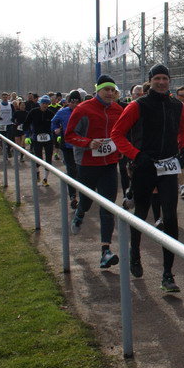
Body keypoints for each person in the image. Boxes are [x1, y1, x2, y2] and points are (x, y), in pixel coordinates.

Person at [111, 64, 184, 292]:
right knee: (141, 213)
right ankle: (135, 254)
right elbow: (117, 134)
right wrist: (136, 155)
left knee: (170, 218)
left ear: (169, 80)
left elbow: (183, 129)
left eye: (165, 78)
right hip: (144, 167)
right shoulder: (137, 105)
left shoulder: (177, 105)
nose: (161, 82)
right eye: (157, 78)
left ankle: (168, 274)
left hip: (168, 167)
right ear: (150, 81)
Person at [65, 76, 124, 269]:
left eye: (112, 90)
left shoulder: (118, 110)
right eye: (106, 89)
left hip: (109, 164)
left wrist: (121, 148)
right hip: (87, 164)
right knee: (86, 201)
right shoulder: (83, 109)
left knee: (108, 206)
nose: (110, 93)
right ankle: (80, 213)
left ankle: (105, 251)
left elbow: (122, 133)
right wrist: (88, 143)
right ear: (98, 90)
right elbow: (69, 135)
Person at [51, 90, 84, 210]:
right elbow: (53, 122)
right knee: (71, 171)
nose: (74, 105)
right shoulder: (62, 112)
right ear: (68, 102)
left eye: (77, 102)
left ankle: (84, 194)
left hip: (81, 146)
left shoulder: (84, 111)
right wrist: (56, 129)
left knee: (81, 171)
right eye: (72, 102)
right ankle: (72, 196)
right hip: (67, 146)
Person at [119, 84, 144, 210]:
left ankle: (133, 194)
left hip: (140, 148)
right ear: (131, 95)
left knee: (138, 173)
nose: (139, 96)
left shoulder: (147, 108)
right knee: (125, 170)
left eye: (142, 94)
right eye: (137, 94)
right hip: (127, 146)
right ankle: (127, 194)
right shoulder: (126, 107)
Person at [24, 95, 56, 186]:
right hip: (36, 138)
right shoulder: (34, 112)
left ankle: (45, 179)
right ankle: (37, 172)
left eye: (47, 104)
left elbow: (55, 124)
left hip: (48, 138)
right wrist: (27, 136)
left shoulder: (50, 113)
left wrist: (56, 134)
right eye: (43, 103)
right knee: (38, 158)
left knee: (49, 158)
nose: (45, 105)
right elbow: (26, 124)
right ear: (40, 104)